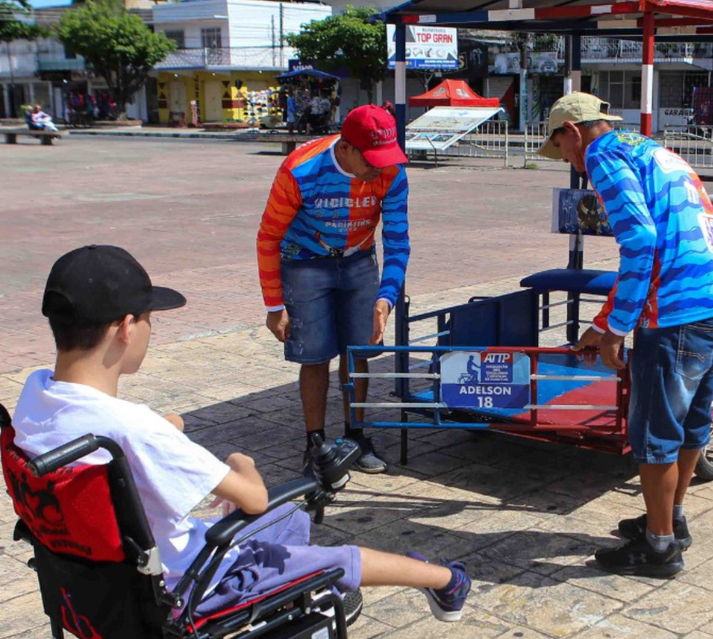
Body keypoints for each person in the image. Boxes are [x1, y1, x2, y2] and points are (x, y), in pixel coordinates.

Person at [11, 245, 470, 618]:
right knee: (316, 542)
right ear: (126, 328)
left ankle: (288, 598)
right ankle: (445, 581)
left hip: (97, 584)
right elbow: (249, 498)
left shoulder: (35, 397)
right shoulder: (137, 431)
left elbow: (122, 439)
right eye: (150, 318)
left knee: (290, 521)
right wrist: (239, 462)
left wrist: (166, 429)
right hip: (191, 586)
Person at [539, 92, 713, 579]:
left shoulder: (603, 155)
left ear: (572, 131)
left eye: (563, 150)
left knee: (653, 433)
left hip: (675, 309)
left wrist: (613, 328)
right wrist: (609, 322)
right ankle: (669, 518)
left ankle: (659, 547)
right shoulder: (650, 149)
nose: (571, 163)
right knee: (692, 421)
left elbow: (642, 242)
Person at [257, 104, 411, 475]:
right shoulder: (299, 170)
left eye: (386, 157)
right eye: (371, 159)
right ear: (345, 148)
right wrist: (275, 305)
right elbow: (268, 238)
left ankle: (355, 436)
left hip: (359, 262)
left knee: (357, 352)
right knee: (314, 356)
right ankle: (317, 443)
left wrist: (385, 298)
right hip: (304, 264)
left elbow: (397, 241)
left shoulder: (391, 172)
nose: (379, 167)